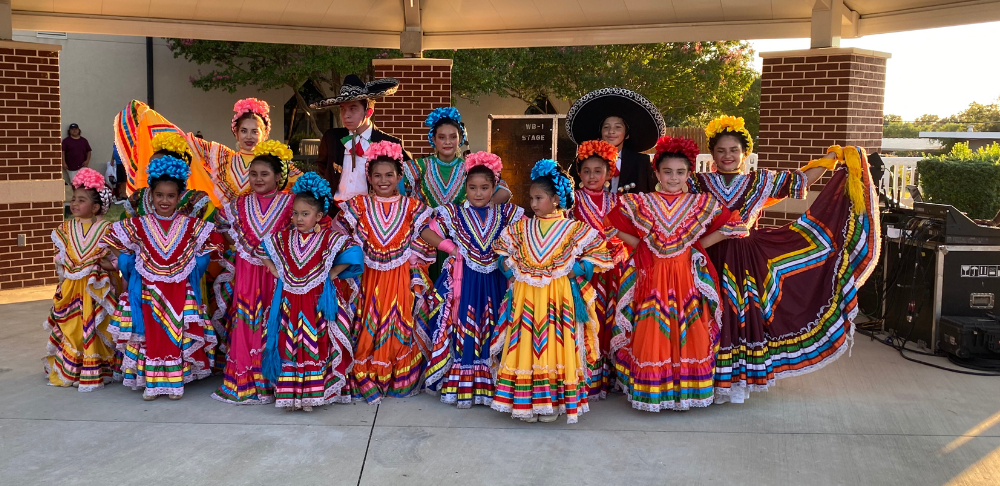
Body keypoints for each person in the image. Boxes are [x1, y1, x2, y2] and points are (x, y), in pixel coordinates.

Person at [687, 115, 881, 403]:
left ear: (745, 153)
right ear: (712, 154)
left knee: (741, 312)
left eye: (733, 150)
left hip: (745, 258)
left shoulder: (761, 181)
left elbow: (799, 180)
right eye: (721, 151)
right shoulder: (696, 182)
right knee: (706, 312)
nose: (727, 156)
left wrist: (830, 159)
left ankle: (734, 381)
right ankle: (700, 375)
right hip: (709, 255)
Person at [607, 136, 742, 412]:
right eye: (667, 172)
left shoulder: (700, 204)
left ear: (689, 175)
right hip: (652, 278)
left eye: (680, 172)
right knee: (653, 328)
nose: (673, 177)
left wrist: (695, 247)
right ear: (656, 173)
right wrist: (641, 245)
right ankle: (655, 393)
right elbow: (611, 223)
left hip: (686, 278)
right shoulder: (641, 202)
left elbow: (733, 224)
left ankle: (685, 391)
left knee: (686, 329)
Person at [491, 159, 613, 424]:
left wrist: (579, 270)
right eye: (531, 198)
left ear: (556, 199)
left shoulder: (574, 230)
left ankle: (554, 403)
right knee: (526, 344)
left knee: (556, 343)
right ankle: (527, 403)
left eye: (539, 198)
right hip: (526, 300)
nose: (533, 203)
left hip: (559, 299)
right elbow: (501, 251)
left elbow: (600, 254)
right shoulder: (521, 228)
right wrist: (509, 267)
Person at [101, 155, 221, 400]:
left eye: (170, 196)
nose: (164, 200)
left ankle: (175, 382)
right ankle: (152, 383)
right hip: (148, 291)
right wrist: (123, 264)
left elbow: (206, 252)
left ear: (179, 197)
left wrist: (193, 265)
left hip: (179, 290)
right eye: (159, 195)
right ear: (150, 196)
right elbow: (120, 248)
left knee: (175, 332)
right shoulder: (138, 225)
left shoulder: (191, 226)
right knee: (152, 334)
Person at [419, 151, 523, 408]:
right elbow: (425, 231)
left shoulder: (506, 213)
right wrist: (451, 249)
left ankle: (494, 381)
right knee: (464, 323)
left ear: (494, 188)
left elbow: (525, 232)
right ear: (464, 187)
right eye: (473, 187)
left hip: (495, 281)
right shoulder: (453, 213)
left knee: (493, 323)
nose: (478, 193)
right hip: (464, 281)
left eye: (485, 188)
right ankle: (465, 382)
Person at [337, 141, 436, 403]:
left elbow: (424, 231)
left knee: (399, 322)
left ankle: (395, 378)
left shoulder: (412, 206)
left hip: (400, 275)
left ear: (399, 177)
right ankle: (368, 374)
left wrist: (448, 246)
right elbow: (340, 230)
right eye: (377, 175)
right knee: (368, 321)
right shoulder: (358, 205)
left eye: (389, 175)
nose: (383, 180)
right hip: (368, 277)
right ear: (368, 177)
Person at [258, 173, 364, 411]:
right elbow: (263, 248)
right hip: (289, 303)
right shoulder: (284, 237)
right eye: (295, 213)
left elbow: (354, 253)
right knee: (289, 344)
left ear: (318, 216)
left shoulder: (329, 237)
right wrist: (274, 270)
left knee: (314, 344)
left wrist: (333, 273)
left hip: (316, 303)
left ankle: (312, 395)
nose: (298, 218)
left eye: (305, 214)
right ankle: (291, 395)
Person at [211, 141, 296, 405]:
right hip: (247, 275)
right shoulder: (238, 205)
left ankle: (274, 381)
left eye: (265, 174)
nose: (258, 179)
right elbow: (220, 226)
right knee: (247, 320)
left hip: (277, 275)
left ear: (279, 177)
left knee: (276, 321)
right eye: (254, 174)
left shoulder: (290, 202)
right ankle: (246, 380)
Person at [113, 98, 301, 207]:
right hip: (224, 227)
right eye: (244, 130)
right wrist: (149, 116)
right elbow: (184, 140)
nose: (249, 136)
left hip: (261, 228)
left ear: (264, 134)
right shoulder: (222, 155)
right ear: (235, 132)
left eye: (255, 131)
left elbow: (301, 184)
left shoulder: (276, 162)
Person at [44, 168, 118, 391]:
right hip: (71, 292)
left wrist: (109, 265)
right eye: (73, 199)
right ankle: (72, 368)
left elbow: (116, 258)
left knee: (95, 327)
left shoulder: (106, 229)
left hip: (95, 291)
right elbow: (61, 257)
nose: (74, 203)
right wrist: (62, 263)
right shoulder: (65, 229)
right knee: (73, 328)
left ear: (96, 207)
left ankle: (96, 368)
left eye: (81, 200)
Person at [570, 140, 630, 398]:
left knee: (611, 318)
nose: (592, 176)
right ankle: (587, 376)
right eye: (586, 171)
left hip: (614, 270)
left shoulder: (619, 201)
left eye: (598, 171)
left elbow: (628, 232)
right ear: (578, 173)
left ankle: (612, 374)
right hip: (584, 272)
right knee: (587, 320)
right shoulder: (571, 201)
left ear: (609, 174)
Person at [312, 74, 409, 208]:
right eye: (343, 109)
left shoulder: (390, 143)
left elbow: (405, 178)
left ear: (369, 111)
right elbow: (323, 168)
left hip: (373, 212)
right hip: (336, 212)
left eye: (353, 108)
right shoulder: (331, 138)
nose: (346, 115)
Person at [566, 88, 667, 194]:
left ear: (626, 134)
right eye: (606, 127)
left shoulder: (642, 163)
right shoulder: (583, 160)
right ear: (600, 133)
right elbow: (570, 194)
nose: (611, 131)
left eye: (618, 127)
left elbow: (654, 197)